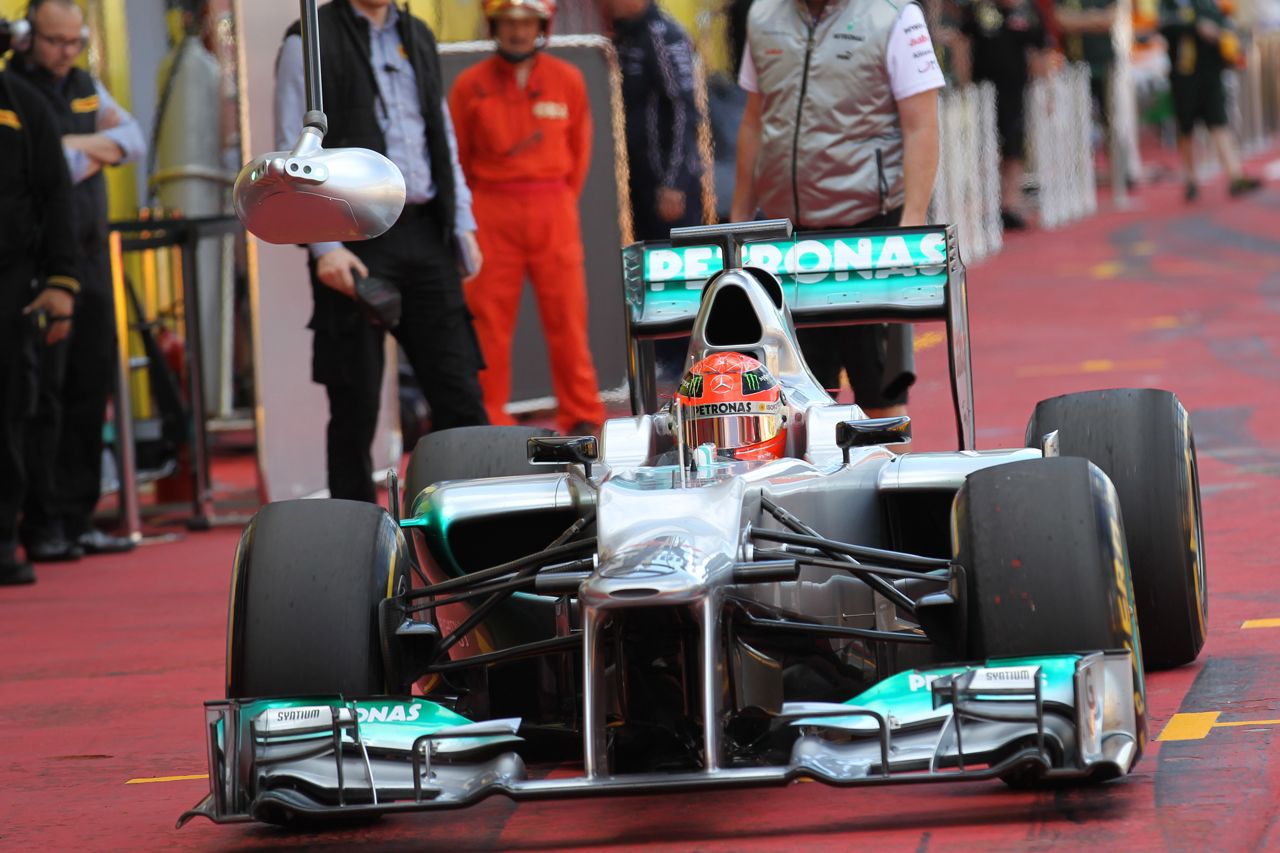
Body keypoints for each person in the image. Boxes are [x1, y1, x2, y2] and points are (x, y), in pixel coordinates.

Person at [275, 0, 490, 503]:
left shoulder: (416, 33)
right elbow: (292, 148)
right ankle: (352, 541)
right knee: (355, 406)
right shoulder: (305, 37)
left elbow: (441, 133)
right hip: (350, 235)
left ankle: (477, 523)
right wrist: (322, 246)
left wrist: (462, 225)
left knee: (459, 391)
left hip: (424, 231)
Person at [730, 0, 944, 419]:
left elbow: (921, 124)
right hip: (786, 238)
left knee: (880, 392)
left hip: (870, 232)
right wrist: (738, 220)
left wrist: (911, 224)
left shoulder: (895, 15)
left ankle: (891, 483)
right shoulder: (763, 15)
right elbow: (755, 120)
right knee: (793, 397)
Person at [10, 0, 145, 560]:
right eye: (54, 42)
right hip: (42, 264)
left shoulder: (87, 84)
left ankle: (80, 515)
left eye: (75, 41)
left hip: (92, 257)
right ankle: (42, 524)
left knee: (91, 389)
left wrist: (73, 147)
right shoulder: (12, 89)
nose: (66, 53)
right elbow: (35, 163)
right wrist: (94, 147)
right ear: (26, 37)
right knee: (44, 396)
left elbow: (132, 142)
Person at [449, 0, 605, 435]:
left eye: (526, 23)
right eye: (508, 22)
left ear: (542, 25)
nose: (517, 32)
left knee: (569, 319)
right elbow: (456, 157)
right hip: (491, 209)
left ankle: (582, 415)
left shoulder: (567, 81)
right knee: (488, 324)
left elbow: (580, 152)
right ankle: (490, 420)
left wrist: (553, 197)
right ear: (494, 25)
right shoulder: (468, 85)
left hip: (552, 207)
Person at [0, 67, 81, 585]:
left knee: (8, 411)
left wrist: (62, 282)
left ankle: (3, 539)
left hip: (10, 285)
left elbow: (56, 196)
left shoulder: (22, 104)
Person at [601, 0, 706, 240]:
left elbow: (684, 109)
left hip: (665, 183)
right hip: (633, 179)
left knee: (674, 262)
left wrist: (673, 183)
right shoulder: (621, 36)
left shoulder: (662, 34)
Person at [955, 0, 1048, 230]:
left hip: (1015, 92)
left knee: (1013, 147)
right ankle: (984, 203)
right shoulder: (979, 10)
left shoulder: (1027, 12)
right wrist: (965, 87)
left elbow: (1037, 50)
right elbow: (963, 44)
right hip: (982, 92)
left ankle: (1010, 202)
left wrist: (1045, 91)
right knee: (981, 148)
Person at [1159, 0, 1262, 200]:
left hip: (1211, 75)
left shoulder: (1208, 4)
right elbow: (1164, 26)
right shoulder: (1170, 4)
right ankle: (1190, 179)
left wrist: (1224, 38)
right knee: (1186, 129)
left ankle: (1235, 176)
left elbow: (1225, 27)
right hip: (1184, 77)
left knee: (1219, 124)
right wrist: (1196, 27)